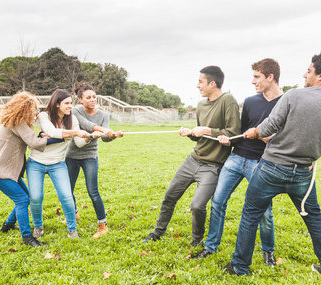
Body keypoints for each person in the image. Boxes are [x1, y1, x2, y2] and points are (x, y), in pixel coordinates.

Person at [224, 52, 321, 279]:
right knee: (314, 219)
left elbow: (269, 126)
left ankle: (240, 267)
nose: (304, 74)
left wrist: (254, 131)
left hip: (271, 168)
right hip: (303, 174)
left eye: (309, 71)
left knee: (251, 214)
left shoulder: (293, 96)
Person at [193, 59, 282, 267]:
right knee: (217, 202)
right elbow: (238, 132)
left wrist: (272, 137)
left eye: (257, 77)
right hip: (236, 158)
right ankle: (210, 246)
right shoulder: (251, 101)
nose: (253, 81)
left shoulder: (286, 103)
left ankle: (268, 251)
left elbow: (289, 136)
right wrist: (226, 138)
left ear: (270, 77)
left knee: (264, 212)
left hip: (261, 163)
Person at [142, 66, 241, 246]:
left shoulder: (228, 101)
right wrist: (190, 133)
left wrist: (206, 129)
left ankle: (197, 241)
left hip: (213, 166)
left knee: (197, 205)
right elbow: (199, 137)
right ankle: (158, 232)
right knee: (169, 196)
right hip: (193, 160)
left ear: (212, 83)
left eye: (200, 82)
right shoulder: (201, 104)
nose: (197, 86)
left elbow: (233, 134)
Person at [0, 92, 51, 247]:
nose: (35, 114)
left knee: (25, 196)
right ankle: (27, 238)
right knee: (22, 199)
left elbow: (31, 138)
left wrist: (43, 136)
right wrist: (57, 137)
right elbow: (34, 142)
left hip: (2, 169)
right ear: (23, 110)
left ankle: (7, 225)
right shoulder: (18, 123)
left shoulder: (14, 121)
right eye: (32, 110)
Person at [27, 89, 93, 239]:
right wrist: (74, 133)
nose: (70, 106)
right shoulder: (44, 115)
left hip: (57, 163)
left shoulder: (72, 119)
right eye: (67, 103)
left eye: (71, 103)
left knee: (66, 196)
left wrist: (89, 137)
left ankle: (72, 230)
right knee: (36, 197)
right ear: (57, 104)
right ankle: (38, 226)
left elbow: (79, 143)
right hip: (36, 162)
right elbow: (52, 131)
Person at [66, 83, 124, 239]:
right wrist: (104, 130)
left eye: (94, 97)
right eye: (88, 97)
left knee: (93, 191)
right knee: (68, 190)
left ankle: (102, 225)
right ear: (80, 99)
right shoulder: (76, 111)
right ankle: (74, 213)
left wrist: (112, 135)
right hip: (71, 155)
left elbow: (105, 139)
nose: (92, 100)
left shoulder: (104, 115)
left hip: (90, 156)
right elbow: (86, 126)